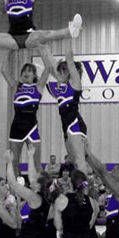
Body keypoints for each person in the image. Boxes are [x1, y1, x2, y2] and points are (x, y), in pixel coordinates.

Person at [6, 145, 56, 238]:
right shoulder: (46, 199)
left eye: (35, 178)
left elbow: (12, 183)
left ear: (38, 184)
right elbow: (33, 176)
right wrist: (30, 156)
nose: (31, 178)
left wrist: (9, 162)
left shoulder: (34, 198)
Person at [1, 45, 51, 175]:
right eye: (24, 70)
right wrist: (9, 50)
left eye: (30, 70)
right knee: (14, 163)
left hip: (32, 128)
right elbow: (3, 70)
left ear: (34, 75)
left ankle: (38, 192)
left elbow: (48, 68)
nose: (26, 72)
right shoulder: (15, 86)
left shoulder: (38, 87)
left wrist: (41, 49)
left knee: (36, 165)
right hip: (16, 128)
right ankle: (16, 194)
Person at [47, 46, 89, 175]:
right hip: (66, 126)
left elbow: (69, 60)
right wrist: (41, 46)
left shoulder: (75, 84)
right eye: (61, 71)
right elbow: (49, 62)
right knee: (73, 161)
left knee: (80, 161)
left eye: (65, 71)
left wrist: (68, 35)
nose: (61, 73)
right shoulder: (61, 88)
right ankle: (81, 187)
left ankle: (84, 192)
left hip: (75, 124)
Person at [54, 170, 99, 238]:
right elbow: (90, 225)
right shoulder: (92, 202)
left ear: (70, 182)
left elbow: (58, 226)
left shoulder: (61, 200)